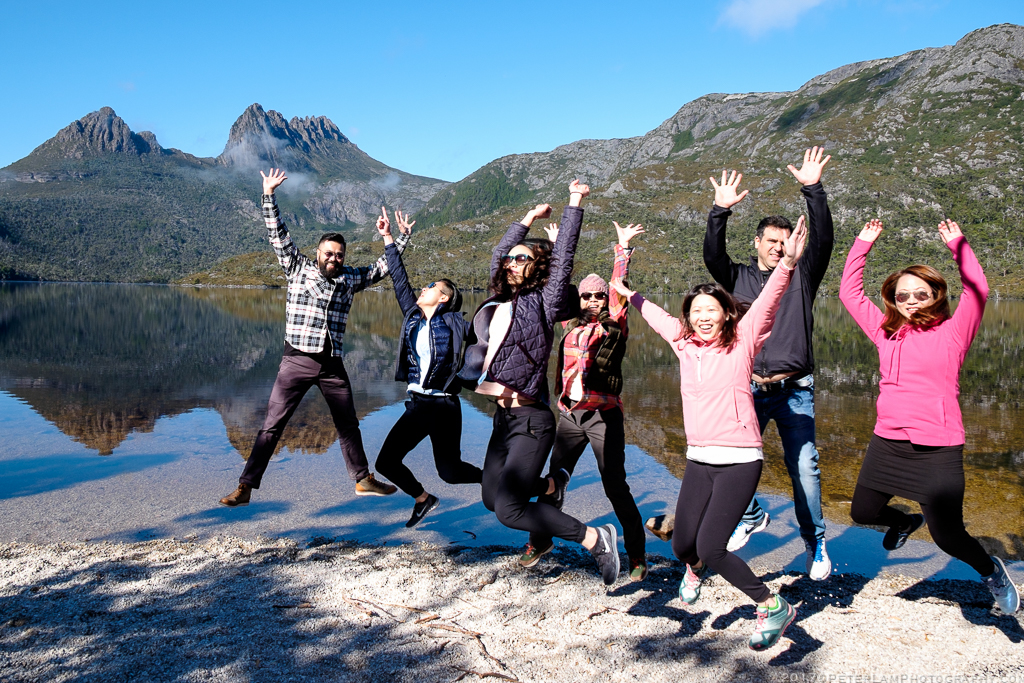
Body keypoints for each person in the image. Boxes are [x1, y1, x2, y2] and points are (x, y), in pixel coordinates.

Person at [610, 214, 808, 651]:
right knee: (684, 546)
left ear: (725, 314)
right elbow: (652, 313)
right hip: (699, 458)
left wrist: (788, 264)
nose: (703, 317)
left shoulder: (743, 340)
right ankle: (695, 569)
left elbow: (768, 300)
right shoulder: (683, 343)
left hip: (739, 460)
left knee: (713, 546)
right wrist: (627, 281)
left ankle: (772, 605)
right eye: (696, 311)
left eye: (711, 310)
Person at [838, 218, 1019, 615]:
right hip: (888, 443)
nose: (911, 300)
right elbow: (849, 293)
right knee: (862, 512)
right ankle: (904, 523)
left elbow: (978, 288)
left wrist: (958, 245)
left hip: (937, 448)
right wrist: (861, 245)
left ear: (936, 295)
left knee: (948, 536)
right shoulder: (885, 332)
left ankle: (992, 572)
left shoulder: (954, 332)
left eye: (921, 293)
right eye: (902, 295)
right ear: (893, 299)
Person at [459, 180, 621, 586]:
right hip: (504, 420)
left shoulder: (544, 302)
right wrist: (527, 218)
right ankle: (551, 485)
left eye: (521, 258)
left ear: (536, 266)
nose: (511, 263)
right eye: (510, 259)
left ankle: (595, 538)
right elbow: (498, 255)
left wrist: (575, 201)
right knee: (491, 497)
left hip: (532, 419)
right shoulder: (501, 298)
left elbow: (563, 257)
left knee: (509, 510)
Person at [219, 168, 400, 507]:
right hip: (296, 361)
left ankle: (363, 479)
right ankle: (245, 487)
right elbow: (277, 234)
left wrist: (392, 238)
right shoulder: (298, 268)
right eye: (329, 253)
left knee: (348, 424)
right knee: (272, 426)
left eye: (339, 254)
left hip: (332, 365)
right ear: (318, 253)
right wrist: (268, 195)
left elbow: (381, 268)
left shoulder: (349, 279)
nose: (334, 259)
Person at [702, 147, 834, 581]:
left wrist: (813, 189)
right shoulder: (737, 278)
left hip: (795, 390)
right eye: (772, 241)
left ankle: (815, 543)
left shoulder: (802, 275)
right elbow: (712, 255)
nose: (779, 248)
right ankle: (750, 515)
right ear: (757, 243)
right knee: (729, 462)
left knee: (804, 469)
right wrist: (719, 211)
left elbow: (825, 239)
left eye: (785, 241)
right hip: (748, 390)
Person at [519, 220, 650, 582]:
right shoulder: (569, 325)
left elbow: (619, 290)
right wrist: (555, 247)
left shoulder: (614, 326)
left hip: (604, 417)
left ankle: (637, 555)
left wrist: (622, 251)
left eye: (599, 296)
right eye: (587, 296)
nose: (593, 300)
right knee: (555, 481)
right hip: (570, 417)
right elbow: (556, 284)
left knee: (615, 486)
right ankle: (539, 541)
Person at [373, 207, 482, 528]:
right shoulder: (413, 317)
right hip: (419, 404)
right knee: (387, 463)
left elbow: (486, 343)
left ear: (444, 298)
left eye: (433, 285)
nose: (425, 287)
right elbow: (399, 279)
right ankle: (423, 499)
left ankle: (500, 481)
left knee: (451, 472)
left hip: (443, 406)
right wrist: (388, 237)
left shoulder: (456, 323)